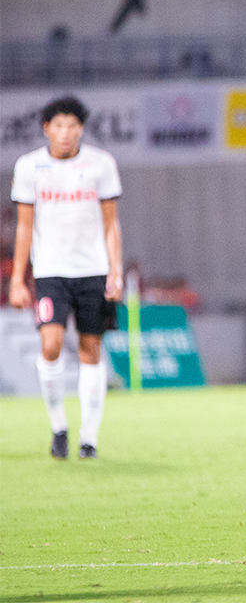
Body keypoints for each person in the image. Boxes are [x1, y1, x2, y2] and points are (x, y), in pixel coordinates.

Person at [8, 96, 124, 460]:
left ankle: (89, 437)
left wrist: (115, 270)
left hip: (93, 271)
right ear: (46, 128)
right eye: (58, 126)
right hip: (50, 272)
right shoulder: (29, 167)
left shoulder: (101, 164)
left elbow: (111, 224)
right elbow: (24, 227)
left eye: (72, 126)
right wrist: (17, 278)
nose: (65, 133)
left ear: (81, 129)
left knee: (91, 349)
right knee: (51, 345)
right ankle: (59, 425)